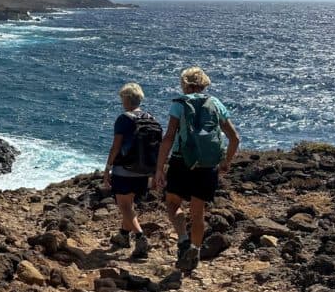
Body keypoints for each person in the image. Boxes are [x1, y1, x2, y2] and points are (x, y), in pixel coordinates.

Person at [154, 67, 240, 271]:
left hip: (181, 162)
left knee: (172, 202)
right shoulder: (215, 103)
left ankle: (183, 239)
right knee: (198, 212)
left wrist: (159, 167)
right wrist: (225, 162)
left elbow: (169, 137)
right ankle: (195, 249)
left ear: (185, 84)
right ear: (204, 84)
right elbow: (234, 138)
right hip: (207, 166)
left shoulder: (180, 104)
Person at [103, 82, 156, 260]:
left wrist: (108, 168)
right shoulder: (150, 118)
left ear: (126, 99)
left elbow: (116, 147)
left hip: (124, 170)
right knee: (130, 204)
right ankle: (123, 236)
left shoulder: (124, 119)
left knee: (124, 206)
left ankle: (140, 237)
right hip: (144, 171)